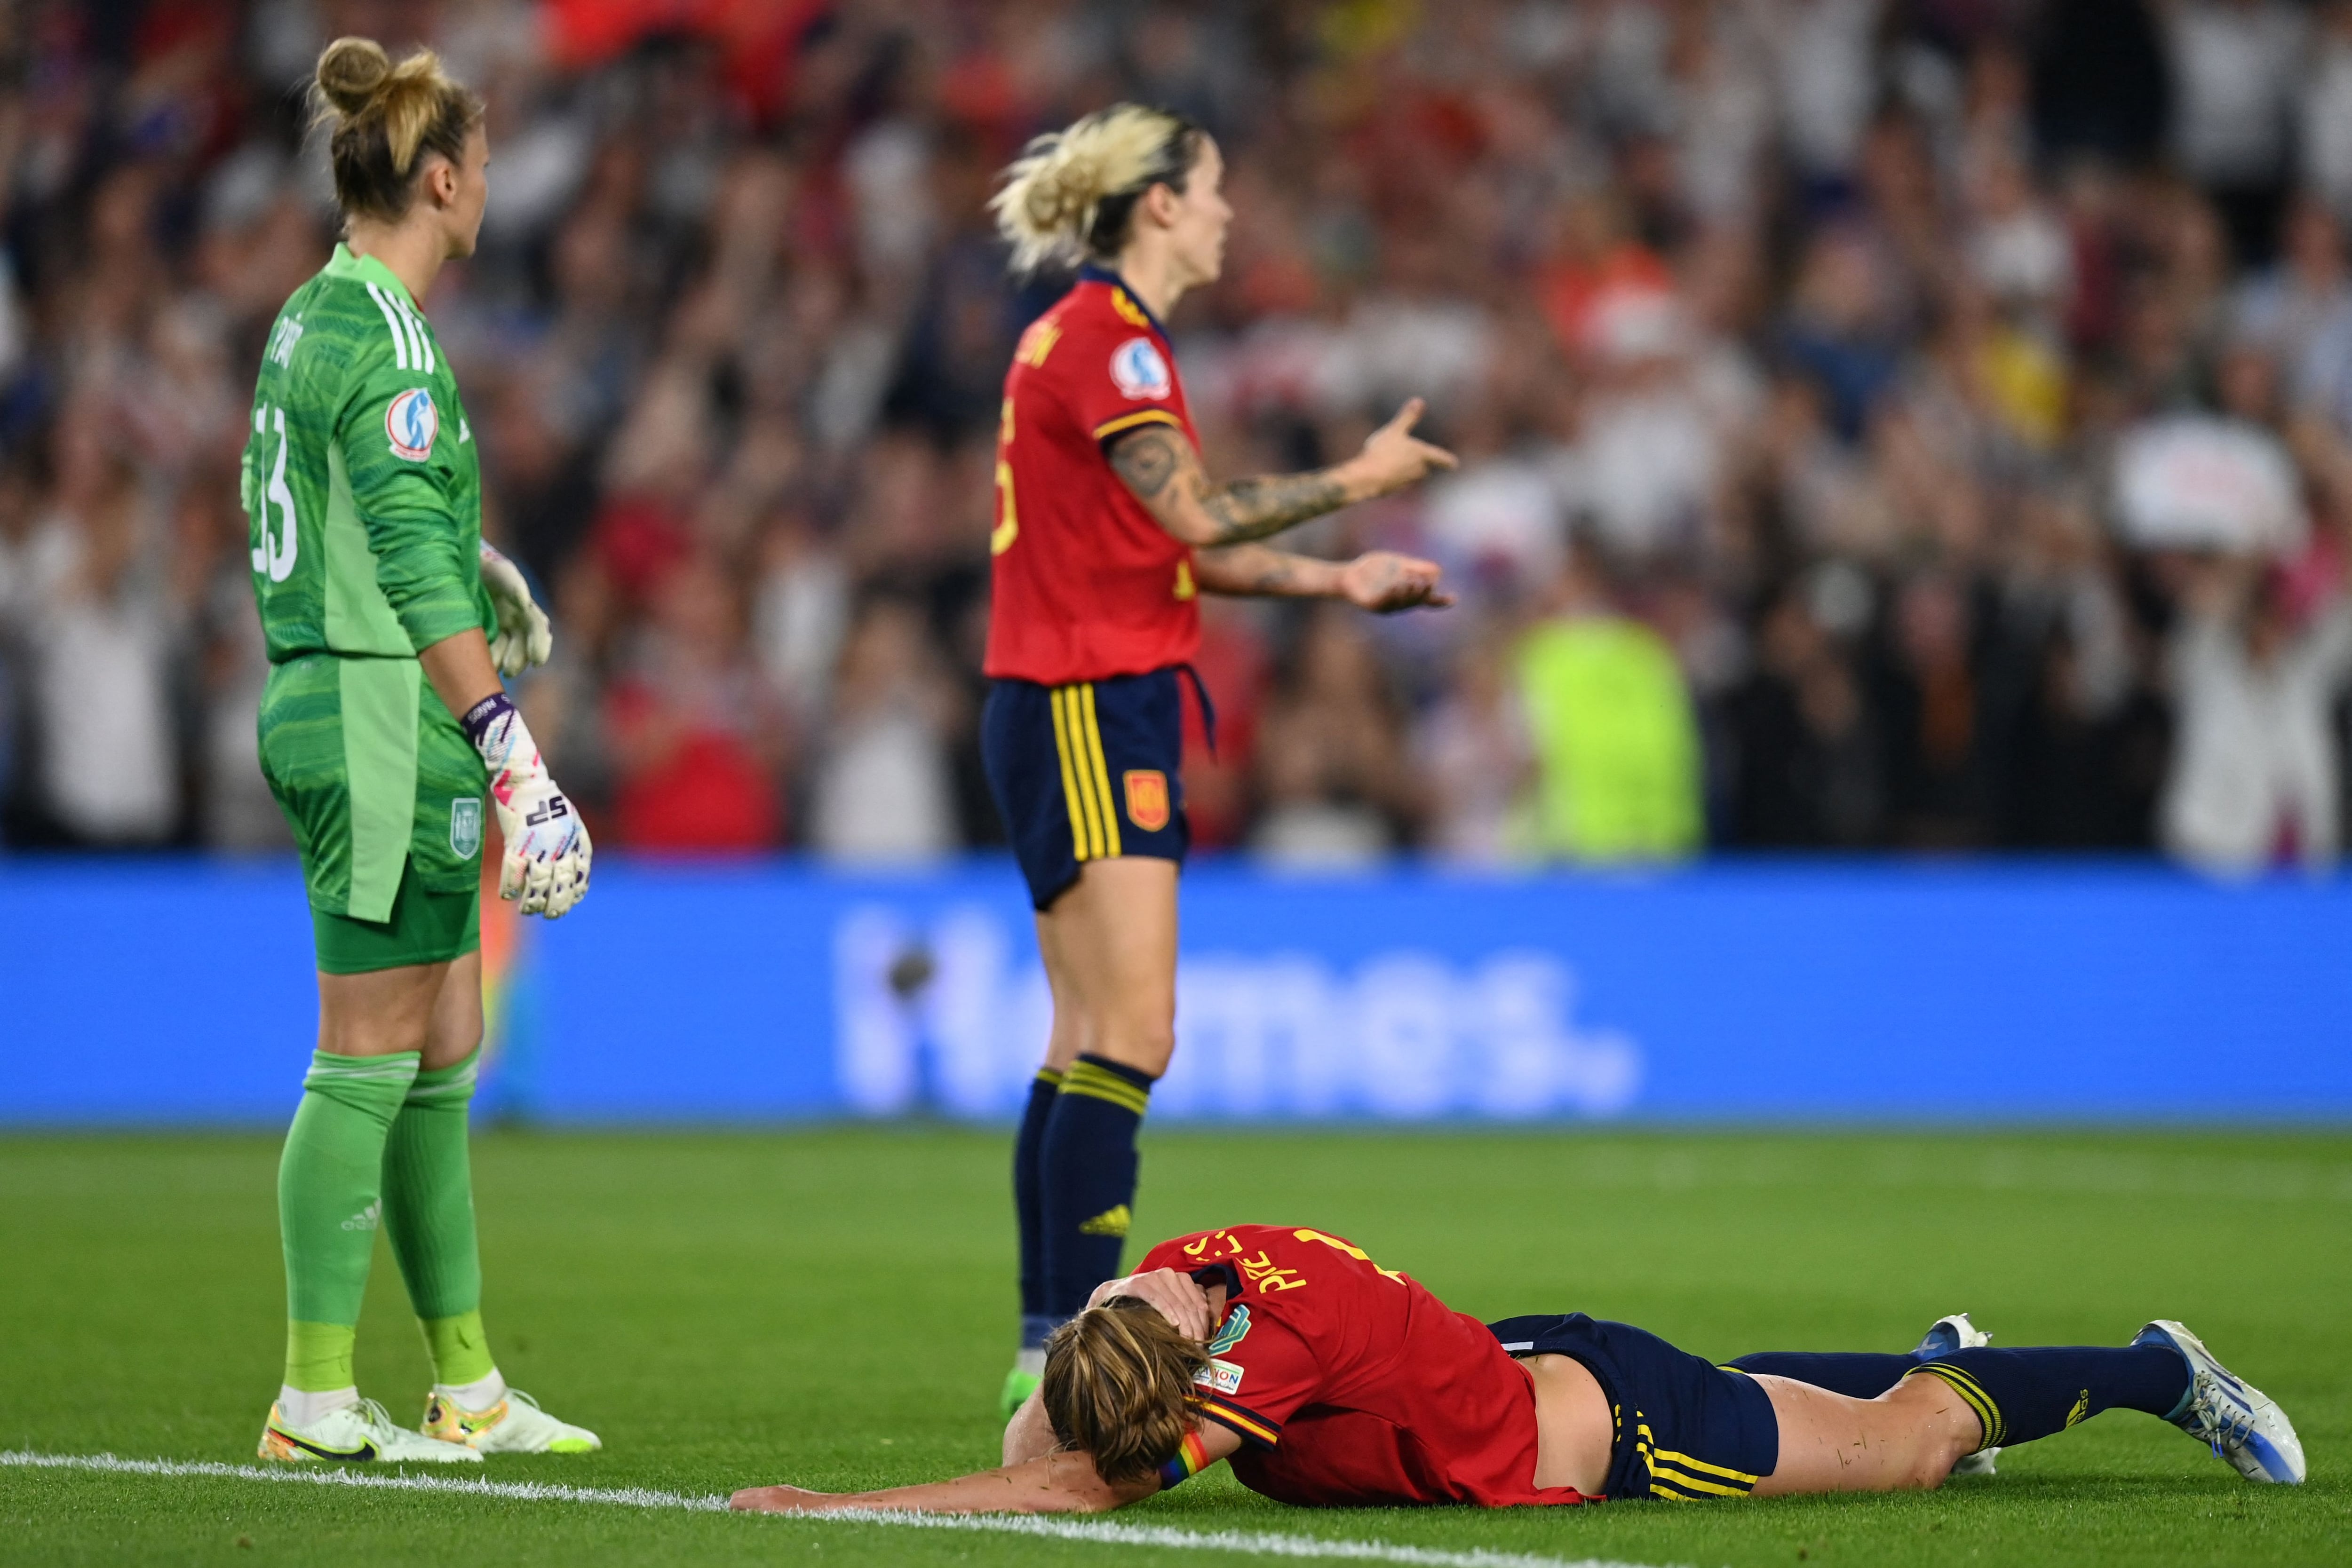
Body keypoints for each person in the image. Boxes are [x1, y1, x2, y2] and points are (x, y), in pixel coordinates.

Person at [978, 104, 1459, 1416]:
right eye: (1214, 188)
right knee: (1132, 1031)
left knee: (1085, 1034)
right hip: (1089, 699)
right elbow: (1191, 513)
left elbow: (1170, 548)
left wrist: (1338, 582)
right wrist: (1359, 477)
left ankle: (1040, 1350)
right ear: (1159, 206)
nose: (1231, 212)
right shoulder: (1110, 343)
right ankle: (1075, 1353)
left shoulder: (1100, 340)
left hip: (1069, 693)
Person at [244, 37, 596, 1464]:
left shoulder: (312, 318)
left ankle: (468, 1388)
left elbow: (349, 508)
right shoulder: (390, 340)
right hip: (383, 711)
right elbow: (391, 545)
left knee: (445, 1043)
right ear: (441, 179)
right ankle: (314, 1398)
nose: (491, 186)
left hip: (352, 694)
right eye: (485, 166)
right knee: (370, 1051)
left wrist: (477, 550)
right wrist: (510, 748)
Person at [731, 1222, 2304, 1514]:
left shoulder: (1273, 1345)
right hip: (1540, 1361)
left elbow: (1071, 1484)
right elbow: (1060, 1423)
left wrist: (835, 1507)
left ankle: (2161, 1375)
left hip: (1615, 1437)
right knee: (1807, 1398)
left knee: (1906, 1450)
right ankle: (1921, 1363)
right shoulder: (1200, 1271)